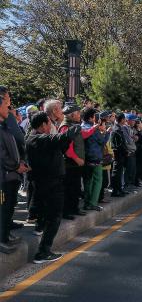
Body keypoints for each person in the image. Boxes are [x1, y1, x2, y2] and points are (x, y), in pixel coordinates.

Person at [26, 111, 81, 263]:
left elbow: (59, 144)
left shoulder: (34, 138)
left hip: (43, 183)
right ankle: (43, 252)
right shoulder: (39, 139)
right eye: (49, 123)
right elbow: (60, 137)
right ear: (43, 125)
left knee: (45, 215)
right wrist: (75, 126)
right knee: (54, 217)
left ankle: (42, 240)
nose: (51, 126)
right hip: (51, 184)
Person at [0, 88, 28, 254]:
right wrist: (16, 166)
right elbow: (2, 155)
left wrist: (20, 162)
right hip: (3, 176)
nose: (9, 109)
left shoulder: (4, 126)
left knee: (8, 208)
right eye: (6, 105)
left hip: (9, 174)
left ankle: (4, 237)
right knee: (3, 209)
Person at [58, 103, 94, 220]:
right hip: (69, 163)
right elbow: (67, 148)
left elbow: (83, 134)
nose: (80, 115)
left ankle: (74, 208)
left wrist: (95, 127)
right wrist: (77, 159)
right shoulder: (65, 127)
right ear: (72, 115)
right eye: (78, 113)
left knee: (76, 187)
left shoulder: (75, 125)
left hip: (75, 164)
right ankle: (66, 211)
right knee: (69, 188)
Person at [81, 108, 109, 211]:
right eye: (94, 116)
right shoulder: (93, 128)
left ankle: (86, 203)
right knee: (97, 181)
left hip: (85, 158)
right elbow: (102, 141)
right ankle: (92, 203)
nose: (96, 118)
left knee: (87, 181)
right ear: (90, 117)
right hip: (95, 158)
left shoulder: (82, 126)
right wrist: (107, 133)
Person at [110, 113, 128, 197]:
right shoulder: (116, 129)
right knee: (116, 172)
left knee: (119, 172)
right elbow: (118, 144)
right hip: (118, 154)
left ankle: (119, 189)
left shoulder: (119, 128)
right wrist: (125, 151)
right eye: (124, 119)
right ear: (121, 119)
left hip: (121, 154)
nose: (125, 120)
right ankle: (115, 191)